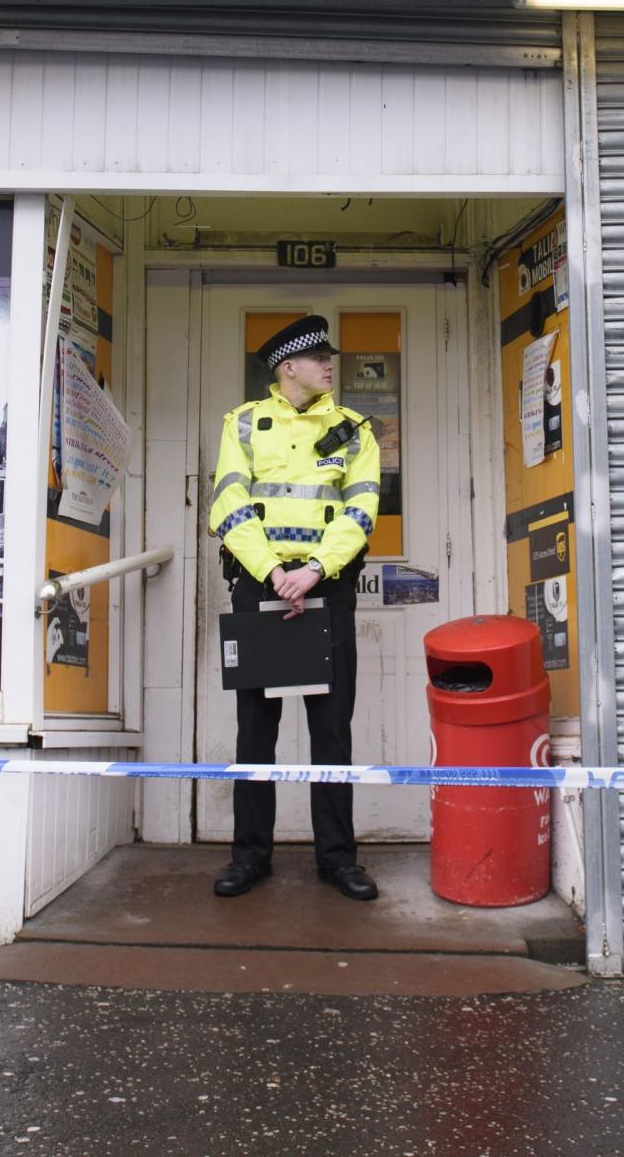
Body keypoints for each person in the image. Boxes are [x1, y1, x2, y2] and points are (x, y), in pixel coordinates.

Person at [206, 314, 383, 902]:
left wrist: (313, 571)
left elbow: (362, 512)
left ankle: (338, 860)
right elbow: (228, 507)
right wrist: (273, 572)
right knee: (256, 731)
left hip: (326, 588)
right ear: (288, 368)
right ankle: (249, 857)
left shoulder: (356, 429)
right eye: (319, 358)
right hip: (261, 586)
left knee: (332, 730)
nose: (331, 365)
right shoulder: (244, 424)